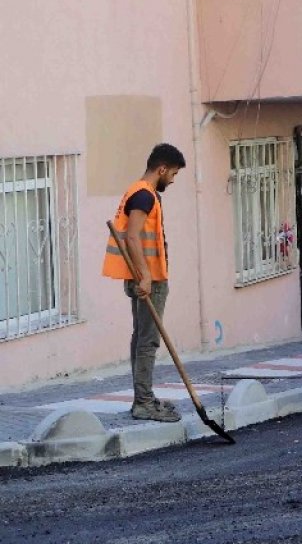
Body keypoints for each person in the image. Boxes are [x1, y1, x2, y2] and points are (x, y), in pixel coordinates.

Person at [102, 143, 187, 423]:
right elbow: (132, 237)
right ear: (161, 169)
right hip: (148, 280)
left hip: (143, 277)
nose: (172, 180)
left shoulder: (138, 191)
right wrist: (146, 276)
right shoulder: (144, 196)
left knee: (141, 338)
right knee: (147, 341)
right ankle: (144, 402)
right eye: (173, 174)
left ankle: (144, 397)